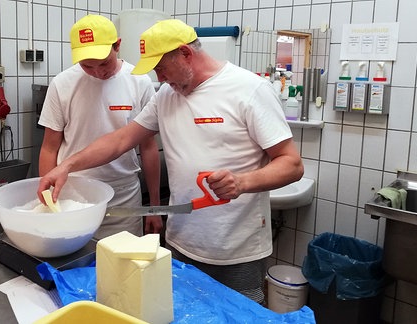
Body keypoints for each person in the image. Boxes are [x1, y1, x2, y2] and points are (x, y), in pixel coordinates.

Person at [39, 19, 304, 304]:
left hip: (235, 247)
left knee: (237, 313)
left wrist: (243, 182)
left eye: (161, 68)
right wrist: (65, 166)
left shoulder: (249, 89)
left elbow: (291, 164)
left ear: (185, 54)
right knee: (179, 312)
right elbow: (119, 141)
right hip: (181, 242)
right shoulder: (167, 95)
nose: (160, 78)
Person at [36, 15, 163, 239]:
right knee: (76, 265)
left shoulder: (139, 81)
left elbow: (148, 147)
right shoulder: (62, 84)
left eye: (104, 63)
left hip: (122, 195)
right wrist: (49, 203)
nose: (98, 72)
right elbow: (49, 148)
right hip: (73, 193)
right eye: (87, 66)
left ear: (118, 45)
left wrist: (153, 206)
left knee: (123, 265)